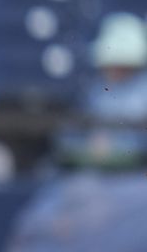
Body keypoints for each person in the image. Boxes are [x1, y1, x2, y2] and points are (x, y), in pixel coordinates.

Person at [56, 12, 147, 170]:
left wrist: (114, 146)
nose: (112, 70)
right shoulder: (96, 92)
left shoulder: (143, 91)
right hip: (96, 174)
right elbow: (72, 135)